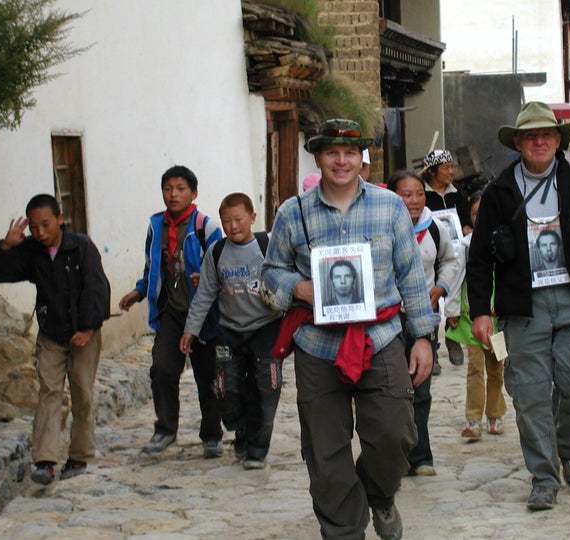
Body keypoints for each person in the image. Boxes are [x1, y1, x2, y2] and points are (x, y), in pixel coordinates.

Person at [262, 118, 439, 540]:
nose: (341, 161)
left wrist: (422, 339)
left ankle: (378, 497)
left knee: (395, 434)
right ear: (319, 156)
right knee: (325, 450)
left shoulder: (389, 206)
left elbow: (411, 276)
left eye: (349, 153)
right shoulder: (293, 213)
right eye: (331, 153)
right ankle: (344, 529)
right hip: (318, 345)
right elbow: (270, 274)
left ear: (362, 157)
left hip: (380, 339)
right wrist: (299, 288)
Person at [467, 101, 570, 511]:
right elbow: (479, 257)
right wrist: (481, 309)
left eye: (546, 134)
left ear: (557, 140)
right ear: (517, 142)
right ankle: (544, 477)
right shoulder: (499, 192)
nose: (539, 141)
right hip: (523, 306)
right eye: (530, 135)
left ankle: (568, 449)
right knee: (530, 394)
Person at [0, 194, 110, 485]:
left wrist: (89, 328)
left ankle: (79, 455)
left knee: (82, 394)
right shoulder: (31, 251)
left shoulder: (81, 247)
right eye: (34, 227)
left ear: (60, 219)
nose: (40, 232)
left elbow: (96, 286)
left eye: (46, 225)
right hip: (52, 332)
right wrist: (5, 246)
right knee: (49, 392)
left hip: (83, 334)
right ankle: (45, 460)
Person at [118, 165, 225, 458]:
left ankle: (212, 434)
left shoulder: (207, 226)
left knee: (208, 376)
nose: (173, 194)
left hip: (204, 315)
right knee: (162, 369)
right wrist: (140, 291)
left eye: (180, 188)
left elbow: (222, 266)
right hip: (171, 312)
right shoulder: (156, 226)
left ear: (194, 193)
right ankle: (165, 429)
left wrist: (208, 279)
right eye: (168, 188)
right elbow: (152, 267)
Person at [180, 193, 282, 470]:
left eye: (238, 219)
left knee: (266, 386)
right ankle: (241, 429)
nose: (233, 226)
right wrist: (191, 330)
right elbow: (205, 294)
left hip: (266, 328)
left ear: (252, 217)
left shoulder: (268, 246)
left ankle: (257, 450)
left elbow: (287, 278)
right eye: (227, 221)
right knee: (226, 387)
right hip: (229, 330)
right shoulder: (216, 252)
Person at [387, 169, 459, 476]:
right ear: (392, 197)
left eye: (418, 194)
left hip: (423, 318)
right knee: (392, 389)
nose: (414, 201)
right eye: (406, 195)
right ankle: (394, 455)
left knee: (421, 387)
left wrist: (440, 288)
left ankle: (421, 455)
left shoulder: (435, 228)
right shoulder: (383, 228)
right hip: (389, 321)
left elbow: (452, 259)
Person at [446, 191, 507, 441]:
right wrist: (451, 310)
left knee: (497, 368)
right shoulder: (466, 245)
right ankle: (473, 420)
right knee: (475, 369)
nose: (479, 217)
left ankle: (495, 415)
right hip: (472, 316)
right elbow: (456, 277)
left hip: (498, 318)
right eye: (474, 213)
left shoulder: (504, 240)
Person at [420, 149, 471, 371]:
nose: (452, 172)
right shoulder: (422, 194)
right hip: (429, 252)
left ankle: (453, 335)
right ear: (432, 171)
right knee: (430, 297)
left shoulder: (456, 192)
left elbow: (467, 220)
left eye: (453, 167)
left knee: (455, 293)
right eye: (447, 168)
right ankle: (432, 349)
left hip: (455, 253)